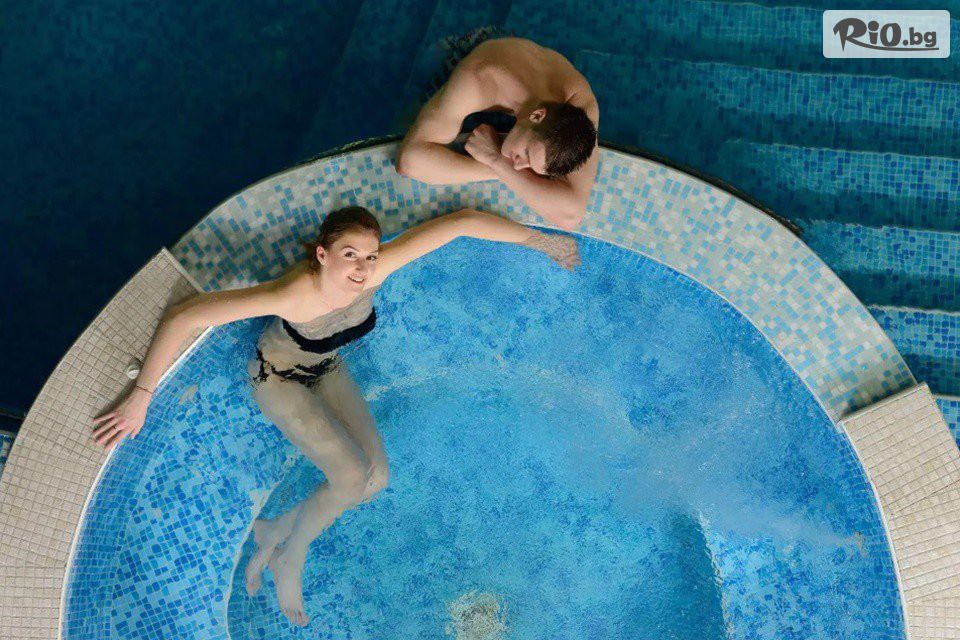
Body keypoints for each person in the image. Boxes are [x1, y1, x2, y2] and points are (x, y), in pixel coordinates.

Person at [92, 206, 580, 627]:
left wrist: (544, 243)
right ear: (323, 255)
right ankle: (290, 556)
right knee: (348, 478)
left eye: (370, 256)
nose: (363, 268)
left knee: (376, 479)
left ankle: (275, 530)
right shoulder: (295, 294)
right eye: (350, 255)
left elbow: (463, 222)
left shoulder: (377, 270)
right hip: (279, 378)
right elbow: (185, 315)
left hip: (325, 366)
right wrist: (141, 396)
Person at [397, 35, 599, 232]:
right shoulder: (475, 82)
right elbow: (409, 161)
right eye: (526, 154)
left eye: (528, 165)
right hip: (463, 53)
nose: (518, 166)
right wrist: (495, 168)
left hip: (524, 62)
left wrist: (498, 163)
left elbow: (571, 216)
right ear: (537, 115)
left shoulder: (577, 101)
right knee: (403, 126)